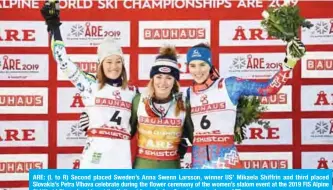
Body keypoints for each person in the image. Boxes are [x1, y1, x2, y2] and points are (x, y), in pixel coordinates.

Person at [40, 0, 138, 169]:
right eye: (108, 62)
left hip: (121, 159)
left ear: (123, 64)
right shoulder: (89, 85)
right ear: (100, 64)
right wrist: (54, 27)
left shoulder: (133, 91)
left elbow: (140, 123)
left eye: (117, 62)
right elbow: (63, 60)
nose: (113, 67)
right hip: (95, 158)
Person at [185, 40, 305, 169]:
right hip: (198, 162)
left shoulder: (230, 85)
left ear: (210, 64)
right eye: (193, 65)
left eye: (202, 64)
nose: (197, 70)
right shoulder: (189, 93)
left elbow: (268, 89)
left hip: (226, 161)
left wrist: (289, 63)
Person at [130, 45, 192, 169]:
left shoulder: (183, 104)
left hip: (171, 168)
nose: (163, 83)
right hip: (142, 168)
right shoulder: (139, 100)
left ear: (175, 81)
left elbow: (197, 137)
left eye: (169, 78)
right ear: (152, 78)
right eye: (158, 77)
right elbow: (124, 133)